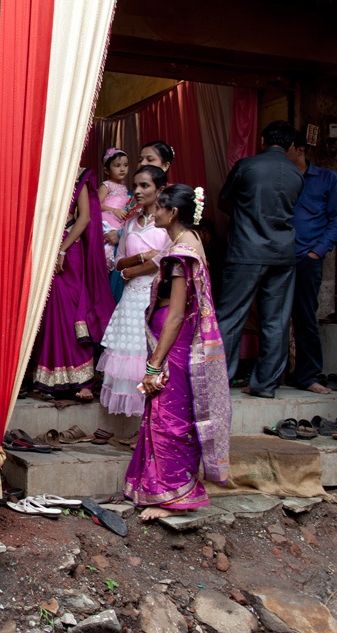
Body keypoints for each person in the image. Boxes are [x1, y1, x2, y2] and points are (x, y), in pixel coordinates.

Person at [125, 185, 231, 520]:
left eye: (158, 208)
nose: (153, 213)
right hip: (174, 343)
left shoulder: (181, 251)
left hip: (174, 346)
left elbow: (175, 314)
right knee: (166, 414)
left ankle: (175, 498)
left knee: (170, 419)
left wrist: (155, 364)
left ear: (172, 213)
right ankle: (160, 489)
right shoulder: (188, 242)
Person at [217, 121, 304, 398]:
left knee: (231, 316)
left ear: (263, 140)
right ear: (290, 145)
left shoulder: (247, 166)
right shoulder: (296, 173)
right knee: (276, 320)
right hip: (282, 254)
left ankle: (220, 381)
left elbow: (224, 201)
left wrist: (244, 218)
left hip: (246, 251)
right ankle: (265, 385)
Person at [32, 169, 115, 401]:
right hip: (46, 245)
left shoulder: (80, 176)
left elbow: (85, 218)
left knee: (73, 310)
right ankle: (49, 377)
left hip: (69, 249)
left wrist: (62, 250)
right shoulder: (47, 170)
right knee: (51, 313)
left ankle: (84, 380)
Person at [98, 166, 170, 417]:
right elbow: (118, 263)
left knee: (148, 357)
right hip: (130, 300)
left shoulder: (167, 224)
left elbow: (165, 261)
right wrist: (143, 258)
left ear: (160, 189)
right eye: (136, 185)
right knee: (127, 359)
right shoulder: (129, 222)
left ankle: (150, 421)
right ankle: (131, 421)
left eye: (144, 186)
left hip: (154, 298)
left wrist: (134, 270)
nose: (137, 191)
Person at [286, 130, 337, 394]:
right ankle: (274, 375)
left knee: (305, 317)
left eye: (286, 148)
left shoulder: (328, 178)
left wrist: (318, 250)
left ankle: (307, 376)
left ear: (300, 149)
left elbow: (336, 218)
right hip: (278, 257)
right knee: (276, 318)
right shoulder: (280, 178)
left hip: (308, 258)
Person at [99, 148, 131, 273]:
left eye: (125, 165)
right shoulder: (106, 185)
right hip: (108, 217)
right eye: (117, 166)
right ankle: (106, 263)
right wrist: (113, 210)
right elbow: (96, 204)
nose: (122, 169)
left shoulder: (123, 187)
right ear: (107, 170)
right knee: (107, 241)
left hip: (118, 220)